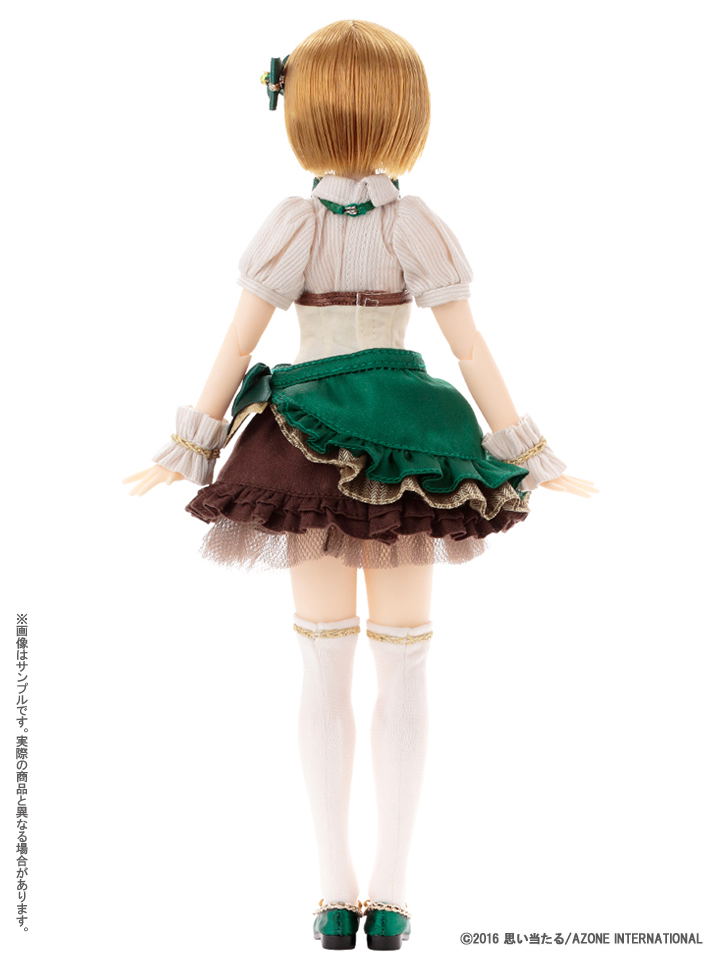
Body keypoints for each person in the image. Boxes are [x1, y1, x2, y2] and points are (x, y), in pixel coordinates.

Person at [123, 19, 596, 951]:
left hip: (314, 439)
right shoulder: (392, 223)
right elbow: (467, 348)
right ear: (408, 113)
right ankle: (371, 891)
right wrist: (529, 452)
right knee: (389, 663)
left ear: (293, 109)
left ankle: (354, 891)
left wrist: (193, 443)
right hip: (401, 440)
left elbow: (239, 344)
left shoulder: (304, 223)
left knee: (336, 664)